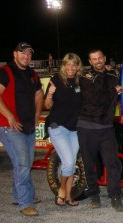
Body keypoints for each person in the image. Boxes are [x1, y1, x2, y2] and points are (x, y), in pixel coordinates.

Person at [0, 42, 44, 216]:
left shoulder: (32, 74)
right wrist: (10, 116)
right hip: (9, 127)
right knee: (22, 164)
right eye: (22, 53)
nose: (26, 56)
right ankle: (25, 202)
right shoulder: (3, 72)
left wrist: (37, 115)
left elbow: (39, 94)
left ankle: (19, 195)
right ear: (15, 54)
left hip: (27, 126)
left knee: (23, 164)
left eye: (29, 54)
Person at [77, 49, 123, 212]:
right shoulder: (86, 77)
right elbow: (95, 97)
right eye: (94, 59)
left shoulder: (114, 74)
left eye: (100, 58)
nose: (98, 61)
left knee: (113, 163)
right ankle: (94, 195)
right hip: (87, 127)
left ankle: (115, 196)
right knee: (90, 164)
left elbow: (120, 93)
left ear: (104, 58)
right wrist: (115, 90)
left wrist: (120, 91)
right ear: (90, 62)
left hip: (106, 127)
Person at [44, 53, 83, 207]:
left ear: (78, 66)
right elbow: (47, 106)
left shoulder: (81, 81)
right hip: (57, 126)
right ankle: (61, 191)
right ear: (64, 65)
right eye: (68, 64)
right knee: (67, 161)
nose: (71, 68)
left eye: (74, 64)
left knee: (71, 163)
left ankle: (67, 197)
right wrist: (50, 94)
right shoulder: (56, 79)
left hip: (75, 128)